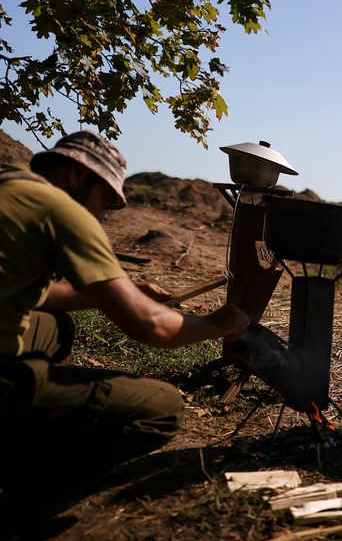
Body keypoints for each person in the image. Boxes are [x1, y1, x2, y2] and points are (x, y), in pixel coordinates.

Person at [0, 130, 250, 499]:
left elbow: (36, 293)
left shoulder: (11, 183)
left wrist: (125, 293)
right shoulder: (62, 210)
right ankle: (21, 492)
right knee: (162, 406)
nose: (100, 216)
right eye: (103, 200)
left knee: (56, 329)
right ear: (77, 174)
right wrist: (217, 324)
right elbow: (150, 328)